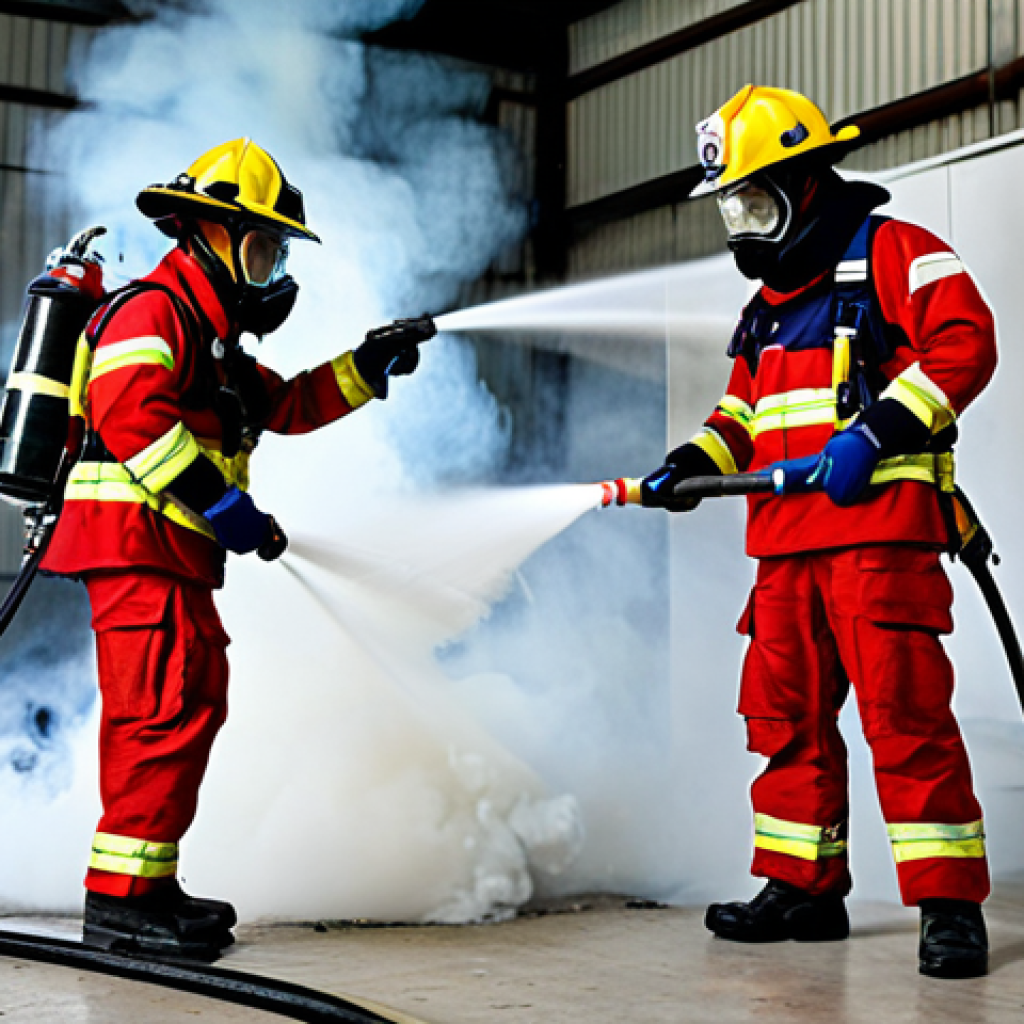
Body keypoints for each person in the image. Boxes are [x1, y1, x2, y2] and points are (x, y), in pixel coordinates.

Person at [42, 138, 435, 960]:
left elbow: (289, 405)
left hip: (168, 551)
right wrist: (226, 508)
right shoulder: (153, 311)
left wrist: (367, 363)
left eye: (279, 251)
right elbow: (132, 420)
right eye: (263, 247)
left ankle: (147, 885)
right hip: (136, 547)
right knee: (161, 712)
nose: (274, 267)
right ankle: (120, 905)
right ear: (208, 235)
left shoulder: (211, 337)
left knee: (186, 704)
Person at [642, 86, 997, 979]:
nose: (743, 226)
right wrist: (695, 457)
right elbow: (743, 414)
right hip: (782, 551)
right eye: (732, 207)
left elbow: (966, 341)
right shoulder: (764, 308)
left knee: (904, 720)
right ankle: (804, 888)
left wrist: (878, 431)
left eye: (755, 202)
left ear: (806, 184)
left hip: (879, 541)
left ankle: (949, 908)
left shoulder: (894, 252)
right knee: (785, 721)